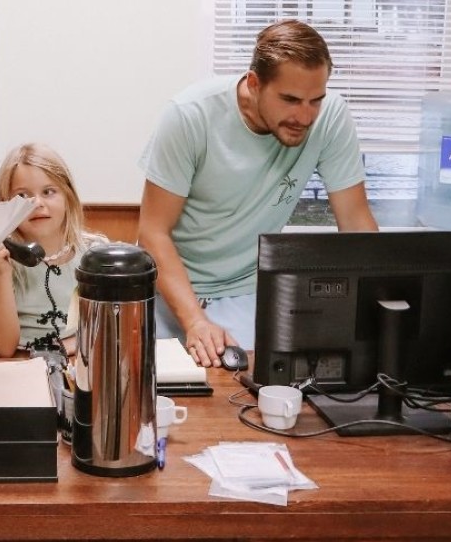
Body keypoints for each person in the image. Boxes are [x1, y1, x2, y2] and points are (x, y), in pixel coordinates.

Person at [137, 19, 378, 367]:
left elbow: (356, 222)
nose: (305, 116)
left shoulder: (330, 118)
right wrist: (195, 321)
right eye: (290, 99)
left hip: (251, 291)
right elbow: (152, 233)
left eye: (316, 100)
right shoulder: (190, 116)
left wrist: (377, 312)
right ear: (254, 83)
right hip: (174, 289)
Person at [0, 143, 106, 358]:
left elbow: (107, 328)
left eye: (48, 192)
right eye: (23, 196)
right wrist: (2, 274)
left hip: (79, 362)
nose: (37, 203)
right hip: (21, 367)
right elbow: (2, 348)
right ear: (5, 205)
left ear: (68, 196)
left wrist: (64, 348)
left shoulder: (95, 254)